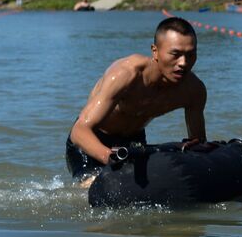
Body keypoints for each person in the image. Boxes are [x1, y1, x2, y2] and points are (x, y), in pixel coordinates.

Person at [66, 17, 208, 182]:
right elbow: (79, 131)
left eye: (190, 55)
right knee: (96, 189)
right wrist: (110, 159)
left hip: (133, 143)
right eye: (175, 54)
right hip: (91, 142)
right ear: (155, 51)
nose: (183, 63)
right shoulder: (126, 74)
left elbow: (197, 143)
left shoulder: (193, 90)